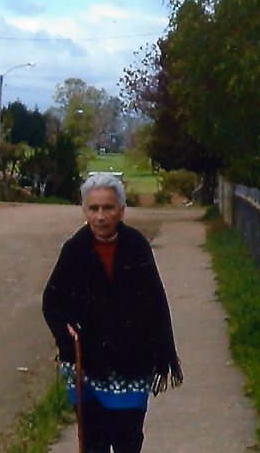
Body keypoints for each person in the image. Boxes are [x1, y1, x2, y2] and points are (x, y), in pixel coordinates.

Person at [43, 173, 182, 453]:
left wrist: (162, 348)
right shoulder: (74, 250)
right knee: (94, 440)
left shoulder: (136, 246)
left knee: (128, 438)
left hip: (131, 360)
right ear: (85, 211)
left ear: (121, 210)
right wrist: (66, 334)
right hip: (89, 362)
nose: (101, 216)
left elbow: (156, 299)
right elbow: (52, 300)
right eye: (93, 209)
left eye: (108, 208)